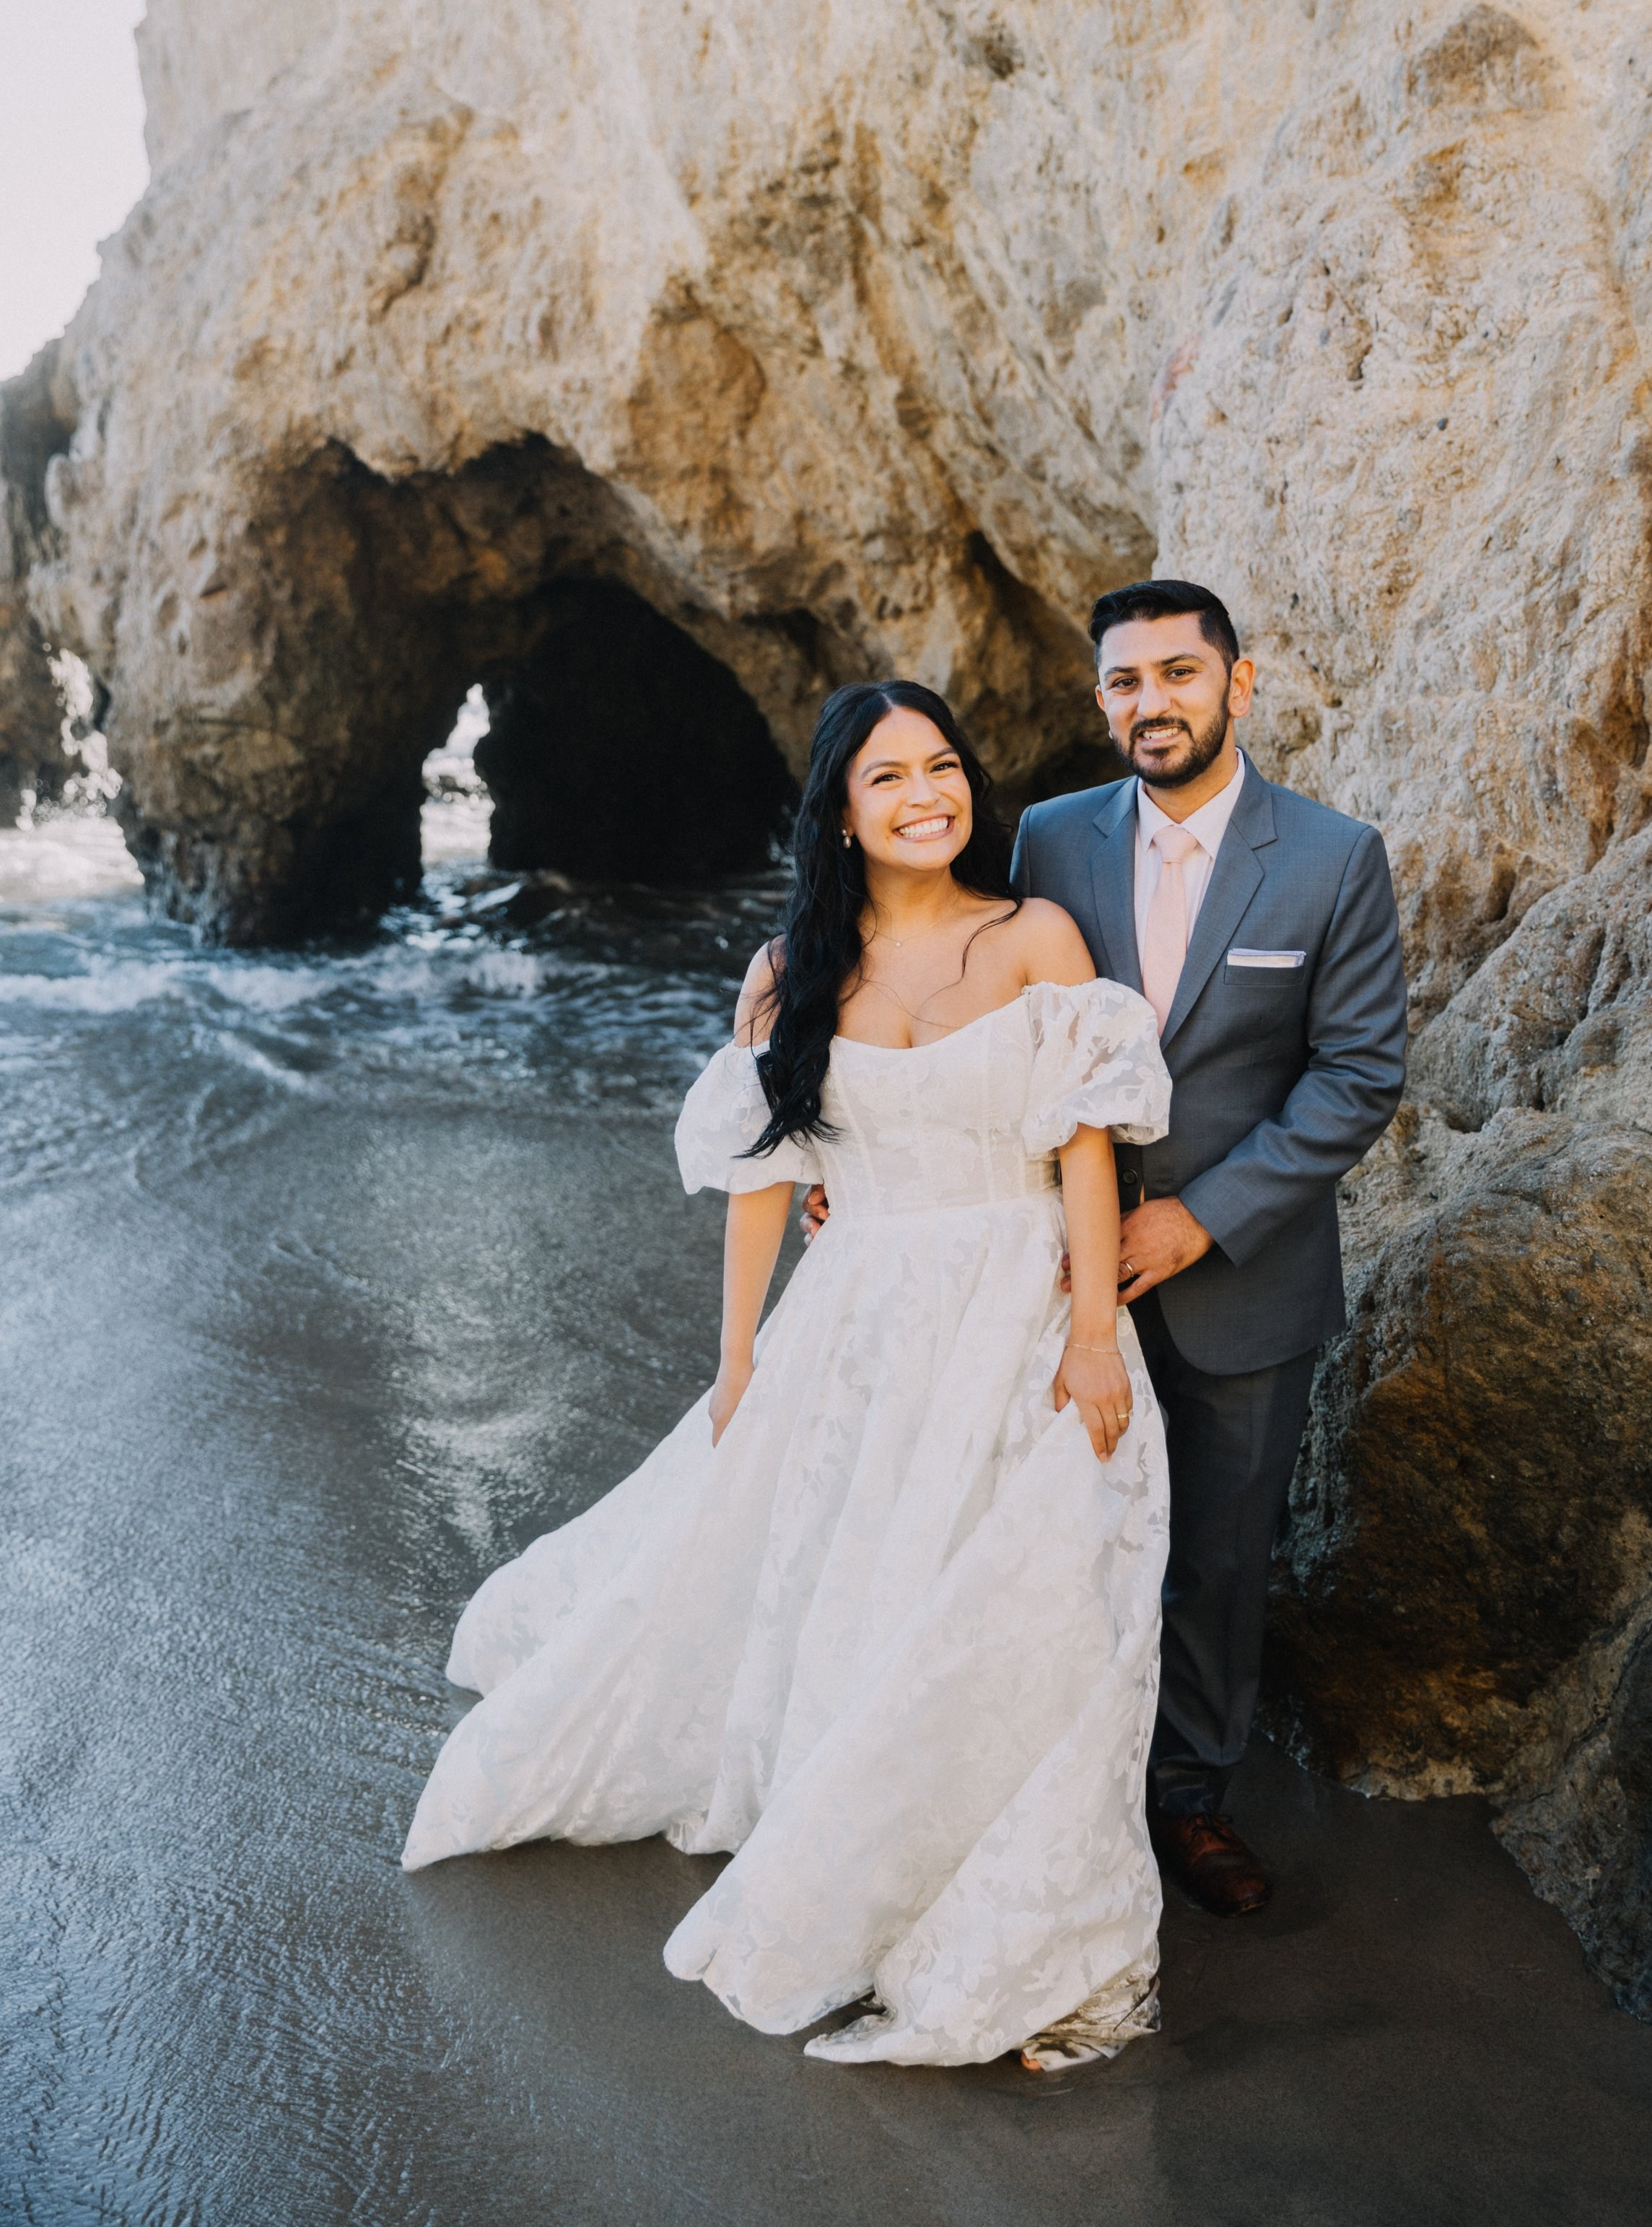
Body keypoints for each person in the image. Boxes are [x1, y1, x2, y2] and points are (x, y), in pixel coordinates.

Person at [403, 680, 1174, 2070]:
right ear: (841, 810)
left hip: (1016, 1307)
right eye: (890, 777)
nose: (928, 794)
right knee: (854, 1570)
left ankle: (1010, 1905)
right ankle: (845, 1820)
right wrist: (739, 1355)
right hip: (861, 1314)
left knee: (1031, 1593)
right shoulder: (787, 971)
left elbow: (1082, 1144)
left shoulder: (1033, 938)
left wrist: (1093, 1331)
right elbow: (765, 1180)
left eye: (944, 768)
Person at [1010, 578, 1407, 1915]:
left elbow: (1357, 1077)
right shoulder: (1048, 841)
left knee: (1224, 1557)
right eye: (1125, 681)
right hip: (1064, 1271)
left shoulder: (1333, 856)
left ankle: (1187, 1802)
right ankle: (1064, 1779)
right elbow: (984, 1020)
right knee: (1060, 1534)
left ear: (1239, 686)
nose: (1150, 703)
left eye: (1179, 674)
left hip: (1246, 1278)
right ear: (1101, 700)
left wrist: (1200, 1215)